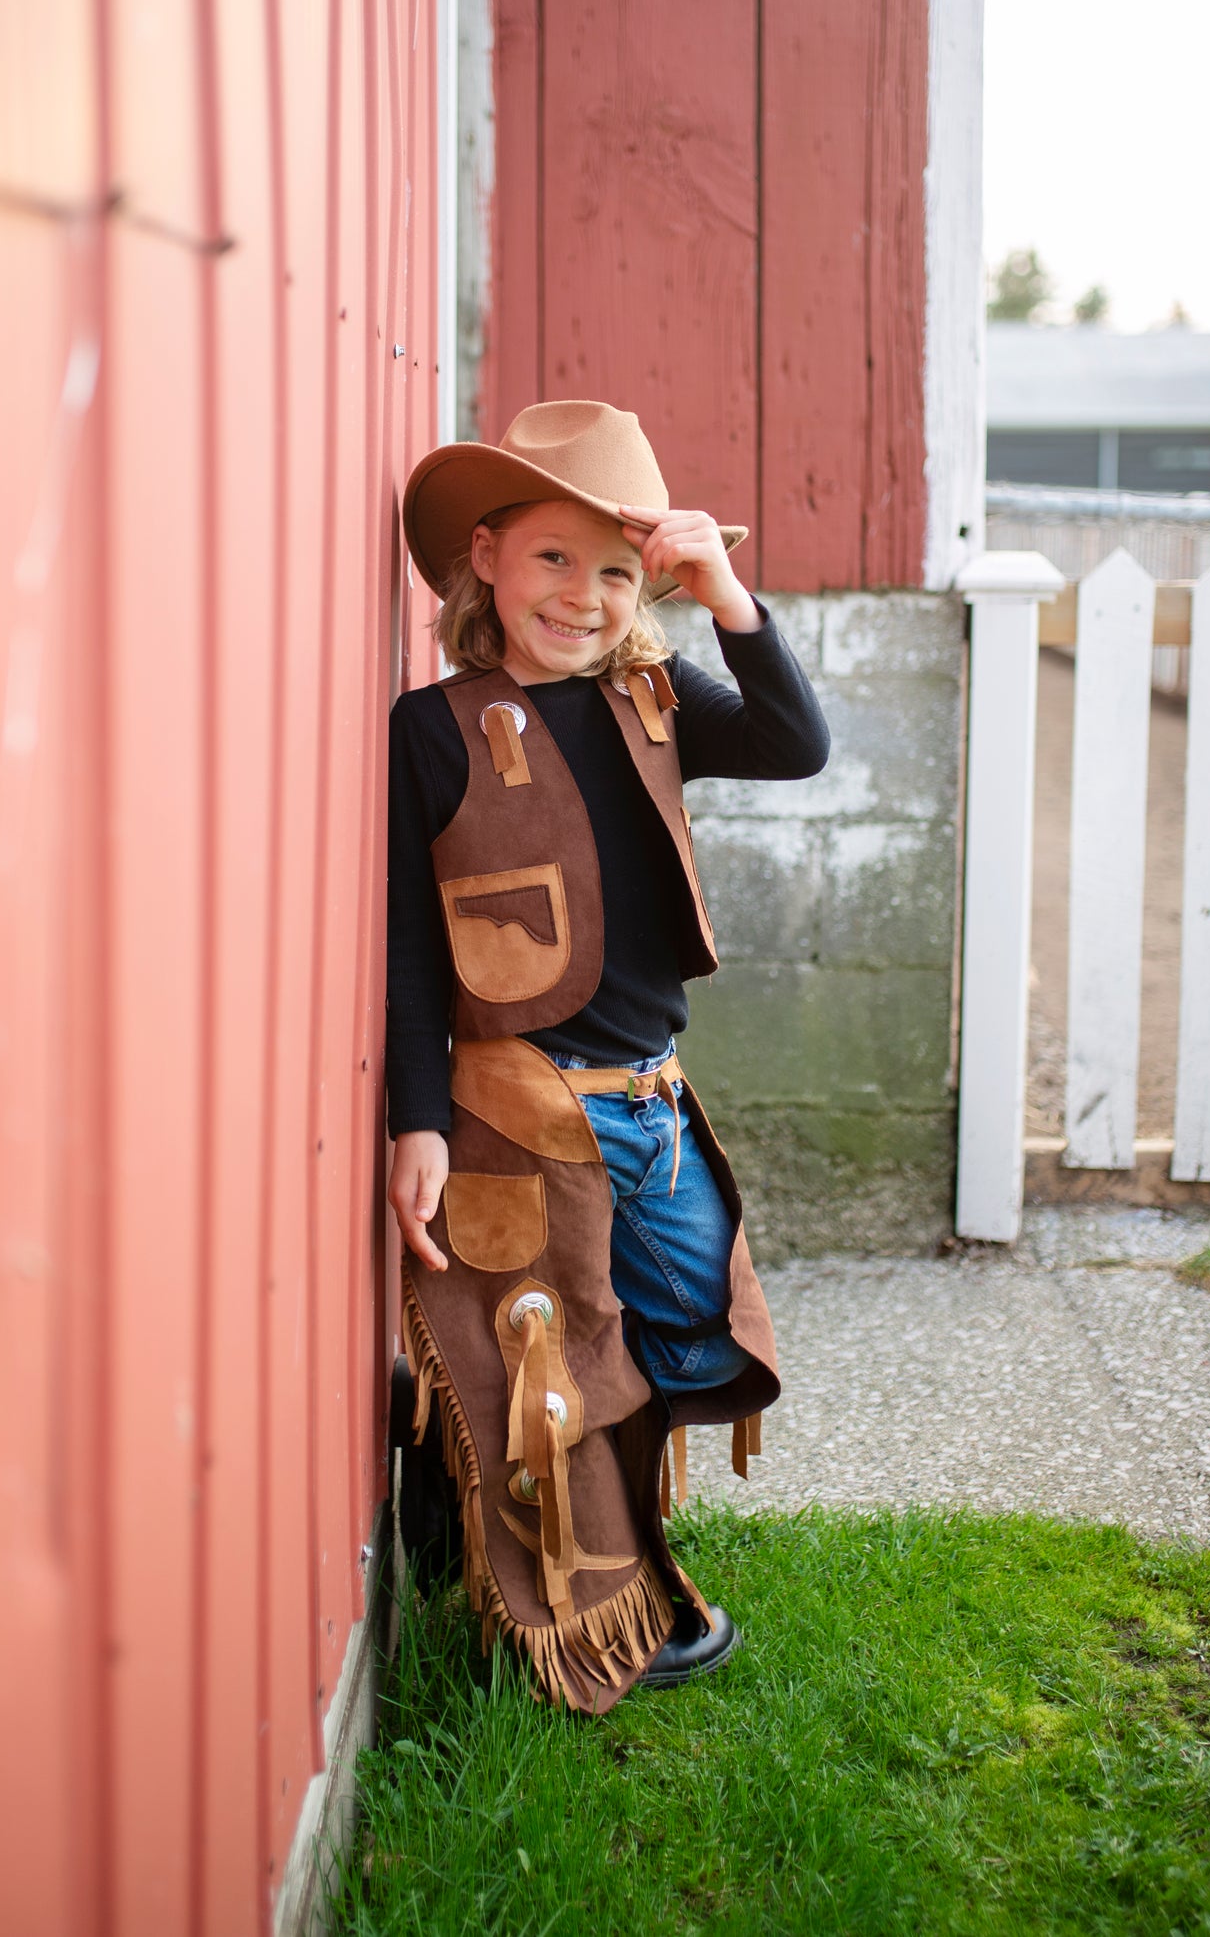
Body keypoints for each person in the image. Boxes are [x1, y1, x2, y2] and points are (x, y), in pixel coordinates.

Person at [387, 399, 829, 1712]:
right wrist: (416, 1121)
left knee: (690, 1339)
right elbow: (414, 948)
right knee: (562, 1366)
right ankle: (556, 1568)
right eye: (553, 560)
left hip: (653, 1105)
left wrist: (721, 586)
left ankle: (601, 1538)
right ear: (485, 556)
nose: (584, 597)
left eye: (619, 571)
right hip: (528, 1110)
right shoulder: (436, 727)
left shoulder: (653, 694)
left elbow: (795, 743)